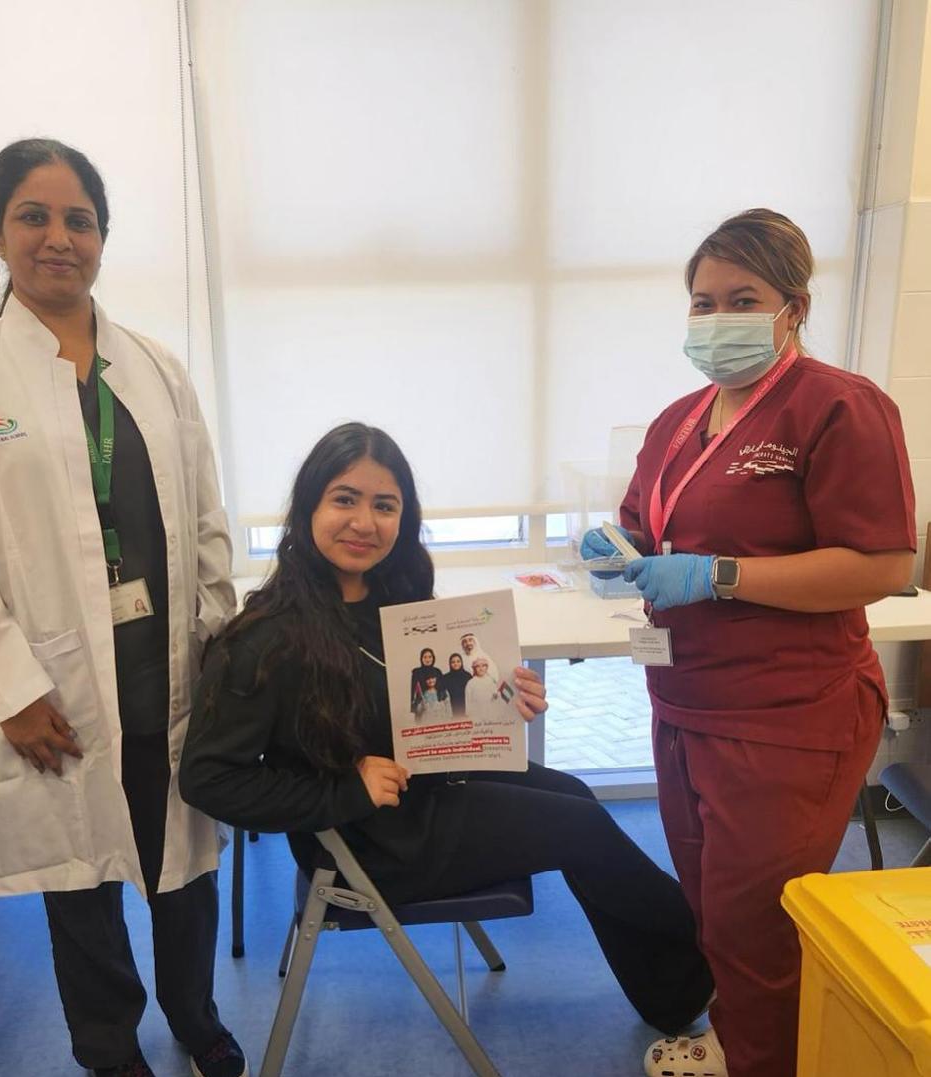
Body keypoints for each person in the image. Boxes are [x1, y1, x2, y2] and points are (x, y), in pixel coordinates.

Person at [181, 420, 716, 1041]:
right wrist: (344, 789)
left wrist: (500, 697)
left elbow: (417, 709)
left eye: (385, 506)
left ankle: (674, 993)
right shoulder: (263, 639)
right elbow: (208, 779)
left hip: (422, 787)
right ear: (308, 508)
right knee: (582, 829)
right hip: (367, 838)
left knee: (575, 794)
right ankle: (721, 956)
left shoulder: (392, 598)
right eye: (345, 499)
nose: (364, 522)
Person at [0, 139, 246, 1077]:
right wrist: (12, 688)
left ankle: (197, 1016)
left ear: (102, 235)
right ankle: (107, 1045)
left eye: (79, 220)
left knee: (185, 866)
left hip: (166, 669)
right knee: (83, 879)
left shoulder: (157, 367)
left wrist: (218, 644)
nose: (59, 238)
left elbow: (207, 522)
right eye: (34, 216)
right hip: (50, 681)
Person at [582, 209, 916, 1077]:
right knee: (712, 911)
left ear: (793, 307)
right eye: (703, 302)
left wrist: (720, 575)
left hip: (788, 715)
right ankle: (741, 1046)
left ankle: (765, 1060)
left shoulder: (840, 407)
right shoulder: (678, 419)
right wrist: (618, 547)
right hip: (684, 702)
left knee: (756, 926)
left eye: (742, 299)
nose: (716, 318)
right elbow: (645, 520)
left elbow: (884, 563)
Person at [464, 656, 505, 722]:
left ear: (486, 667)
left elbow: (495, 698)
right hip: (476, 716)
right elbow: (468, 701)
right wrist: (470, 716)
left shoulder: (491, 681)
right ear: (474, 669)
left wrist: (496, 696)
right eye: (478, 666)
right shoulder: (471, 683)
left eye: (483, 666)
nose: (481, 669)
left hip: (490, 715)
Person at [443, 652, 472, 716]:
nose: (456, 664)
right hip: (451, 710)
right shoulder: (445, 678)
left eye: (458, 661)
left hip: (466, 709)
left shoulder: (468, 676)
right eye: (453, 662)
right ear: (450, 664)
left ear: (461, 662)